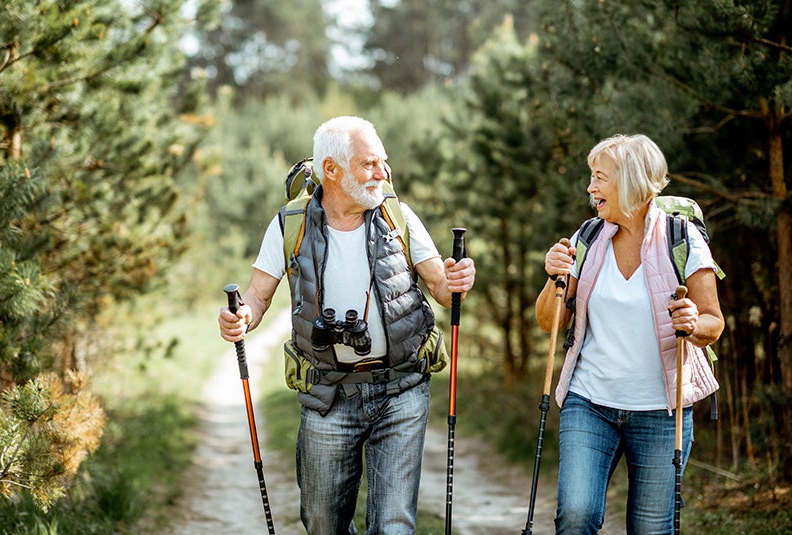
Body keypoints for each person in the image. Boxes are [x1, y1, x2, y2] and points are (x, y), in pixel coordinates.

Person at [218, 115, 476, 534]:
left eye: (383, 162)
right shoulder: (291, 224)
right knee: (322, 523)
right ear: (332, 170)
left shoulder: (399, 217)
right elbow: (257, 296)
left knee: (393, 525)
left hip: (402, 388)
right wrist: (239, 317)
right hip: (327, 393)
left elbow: (444, 290)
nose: (382, 173)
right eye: (369, 163)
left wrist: (461, 279)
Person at [535, 133, 724, 534]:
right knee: (576, 515)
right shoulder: (588, 238)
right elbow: (551, 322)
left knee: (651, 529)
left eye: (600, 177)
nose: (590, 187)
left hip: (660, 411)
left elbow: (713, 323)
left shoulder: (682, 239)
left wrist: (692, 322)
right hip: (590, 402)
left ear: (631, 182)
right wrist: (555, 277)